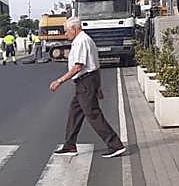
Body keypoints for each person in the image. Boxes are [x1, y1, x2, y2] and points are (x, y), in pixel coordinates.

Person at [49, 17, 127, 158]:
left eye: (67, 31)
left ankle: (115, 145)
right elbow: (95, 64)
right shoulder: (83, 40)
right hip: (87, 81)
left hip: (85, 81)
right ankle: (69, 145)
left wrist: (59, 81)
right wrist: (98, 86)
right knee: (74, 112)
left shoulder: (81, 41)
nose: (66, 34)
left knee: (93, 114)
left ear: (74, 29)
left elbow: (78, 66)